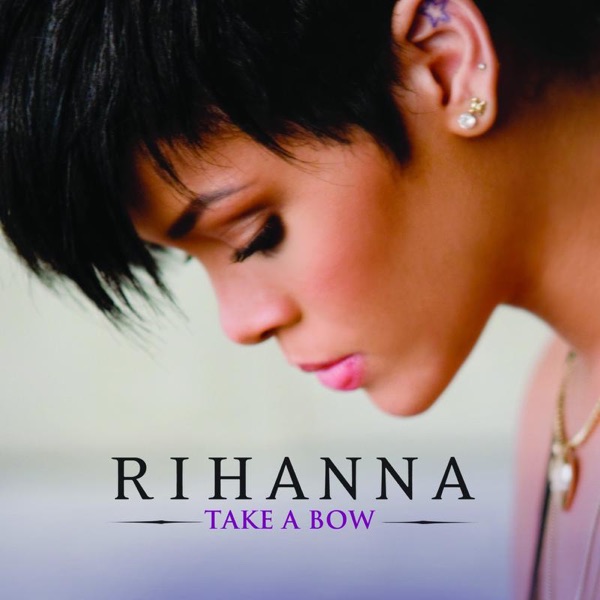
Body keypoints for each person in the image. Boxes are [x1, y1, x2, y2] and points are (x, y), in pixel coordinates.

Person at [1, 0, 599, 598]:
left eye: (256, 235)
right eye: (190, 258)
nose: (241, 324)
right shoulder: (559, 405)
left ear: (447, 64)